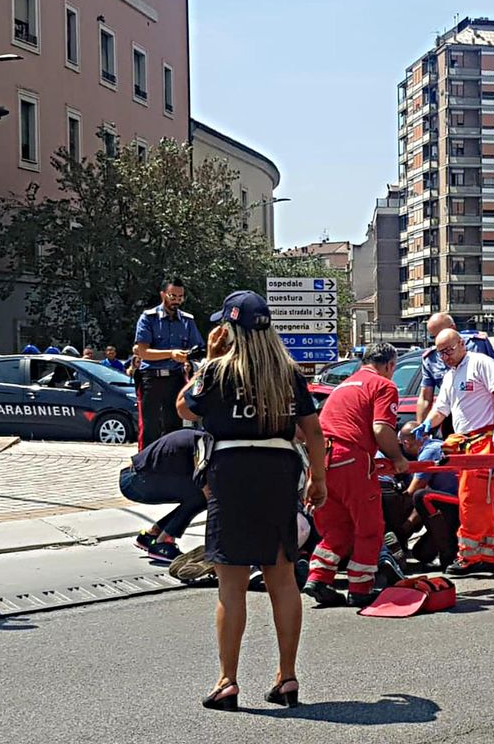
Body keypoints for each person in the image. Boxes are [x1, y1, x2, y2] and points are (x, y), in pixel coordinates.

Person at [176, 290, 326, 712]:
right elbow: (314, 432)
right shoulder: (289, 372)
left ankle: (227, 681)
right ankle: (287, 676)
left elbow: (184, 409)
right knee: (282, 577)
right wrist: (319, 478)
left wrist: (207, 359)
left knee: (232, 584)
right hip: (279, 471)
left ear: (230, 328)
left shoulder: (217, 371)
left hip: (232, 474)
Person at [303, 342, 409, 609]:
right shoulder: (384, 386)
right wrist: (397, 458)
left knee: (338, 528)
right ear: (389, 365)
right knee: (369, 527)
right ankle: (361, 588)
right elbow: (381, 428)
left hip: (323, 460)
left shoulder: (344, 385)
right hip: (352, 459)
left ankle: (319, 577)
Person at [411, 328, 494, 576]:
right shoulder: (450, 376)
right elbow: (441, 409)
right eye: (440, 353)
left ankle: (468, 556)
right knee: (480, 502)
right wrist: (427, 424)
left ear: (462, 344)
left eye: (448, 350)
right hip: (465, 442)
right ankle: (486, 556)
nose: (445, 356)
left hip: (483, 440)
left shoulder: (481, 363)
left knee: (472, 500)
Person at [135, 277, 205, 450]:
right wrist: (171, 354)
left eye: (180, 297)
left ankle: (170, 466)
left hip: (176, 379)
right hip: (152, 379)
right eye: (172, 296)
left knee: (174, 427)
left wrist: (190, 359)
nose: (176, 301)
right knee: (150, 427)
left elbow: (199, 349)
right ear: (163, 295)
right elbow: (143, 352)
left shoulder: (187, 321)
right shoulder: (148, 318)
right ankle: (145, 466)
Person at [122, 428, 209, 562]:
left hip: (135, 476)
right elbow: (203, 482)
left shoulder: (200, 437)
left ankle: (153, 535)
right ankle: (164, 541)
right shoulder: (203, 442)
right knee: (201, 496)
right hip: (134, 480)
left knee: (197, 495)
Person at [416, 312, 494, 422]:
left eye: (440, 334)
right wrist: (421, 425)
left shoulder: (478, 347)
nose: (438, 340)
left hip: (485, 416)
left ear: (453, 328)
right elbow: (425, 398)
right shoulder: (431, 359)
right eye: (433, 337)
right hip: (451, 417)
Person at [398, 422, 461, 567]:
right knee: (422, 553)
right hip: (451, 504)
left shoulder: (428, 453)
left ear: (406, 443)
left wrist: (402, 526)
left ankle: (448, 554)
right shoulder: (436, 444)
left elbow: (413, 491)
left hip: (455, 506)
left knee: (421, 497)